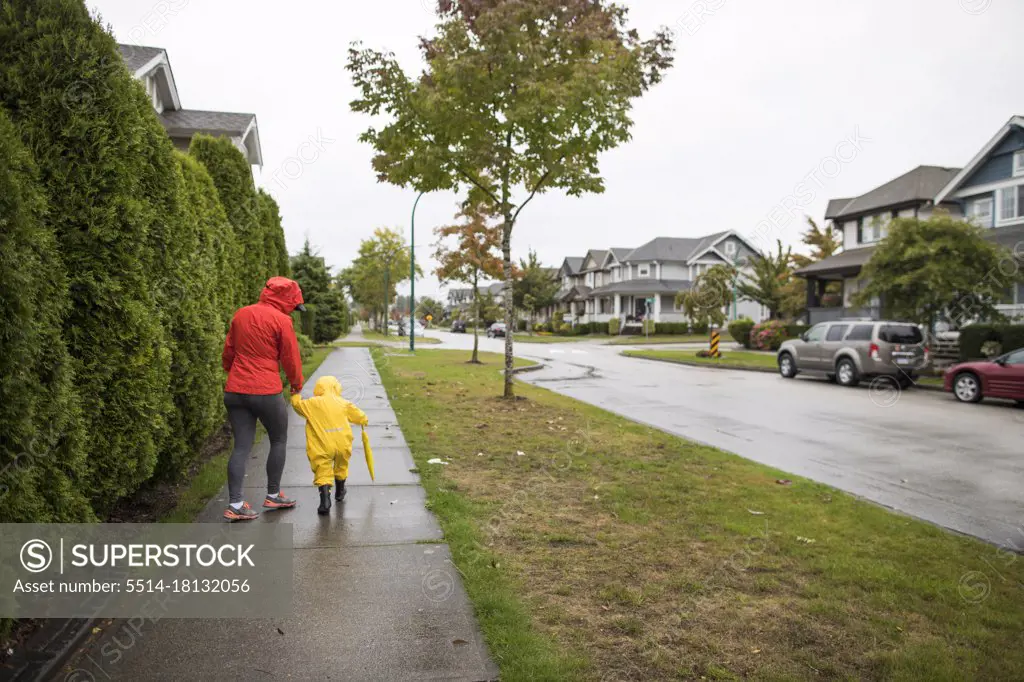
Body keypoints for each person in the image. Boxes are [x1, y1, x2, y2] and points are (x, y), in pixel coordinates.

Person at [222, 277, 306, 521]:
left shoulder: (241, 314)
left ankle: (236, 505)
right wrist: (296, 385)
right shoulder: (282, 320)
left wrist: (233, 371)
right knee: (278, 439)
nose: (293, 310)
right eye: (294, 305)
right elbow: (290, 358)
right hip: (266, 391)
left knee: (241, 447)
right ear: (287, 300)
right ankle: (273, 495)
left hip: (235, 390)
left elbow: (229, 349)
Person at [289, 375, 369, 515]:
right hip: (342, 444)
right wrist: (364, 420)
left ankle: (325, 500)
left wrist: (295, 394)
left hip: (322, 446)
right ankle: (340, 492)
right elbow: (360, 416)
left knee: (323, 470)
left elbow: (296, 405)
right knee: (341, 466)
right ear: (336, 387)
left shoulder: (311, 404)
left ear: (318, 388)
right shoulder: (343, 403)